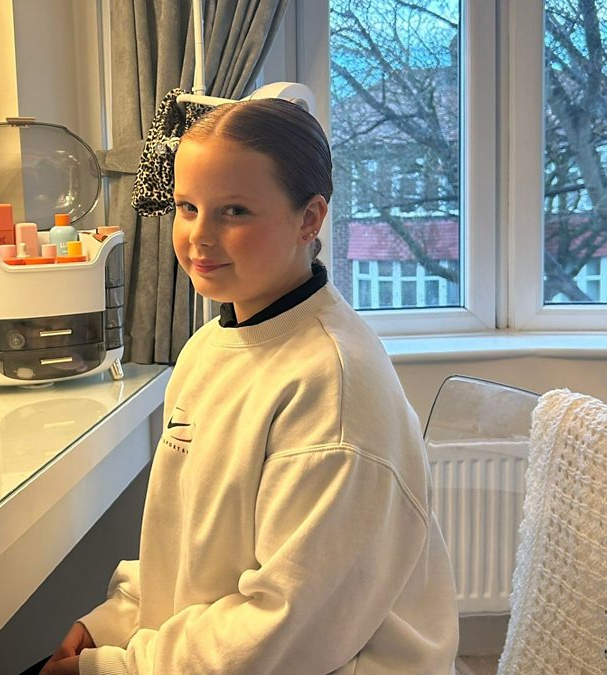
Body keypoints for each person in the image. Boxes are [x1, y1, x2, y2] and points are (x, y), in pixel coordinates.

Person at [38, 98, 459, 675]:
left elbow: (286, 627)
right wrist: (111, 622)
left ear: (309, 219)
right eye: (187, 207)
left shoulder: (330, 384)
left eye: (234, 211)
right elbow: (188, 543)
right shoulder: (210, 347)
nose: (199, 237)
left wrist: (119, 668)